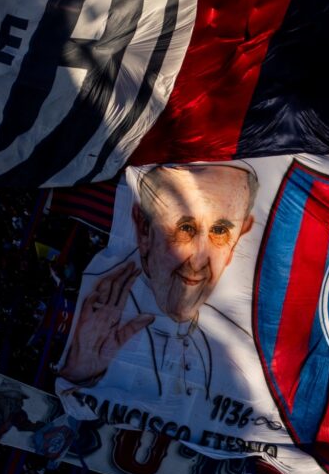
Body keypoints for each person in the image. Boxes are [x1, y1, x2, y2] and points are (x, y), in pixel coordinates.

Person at [57, 163, 262, 423]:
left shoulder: (232, 348)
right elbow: (73, 405)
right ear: (144, 228)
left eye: (220, 231)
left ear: (238, 239)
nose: (198, 262)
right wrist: (82, 370)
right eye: (185, 228)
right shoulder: (103, 316)